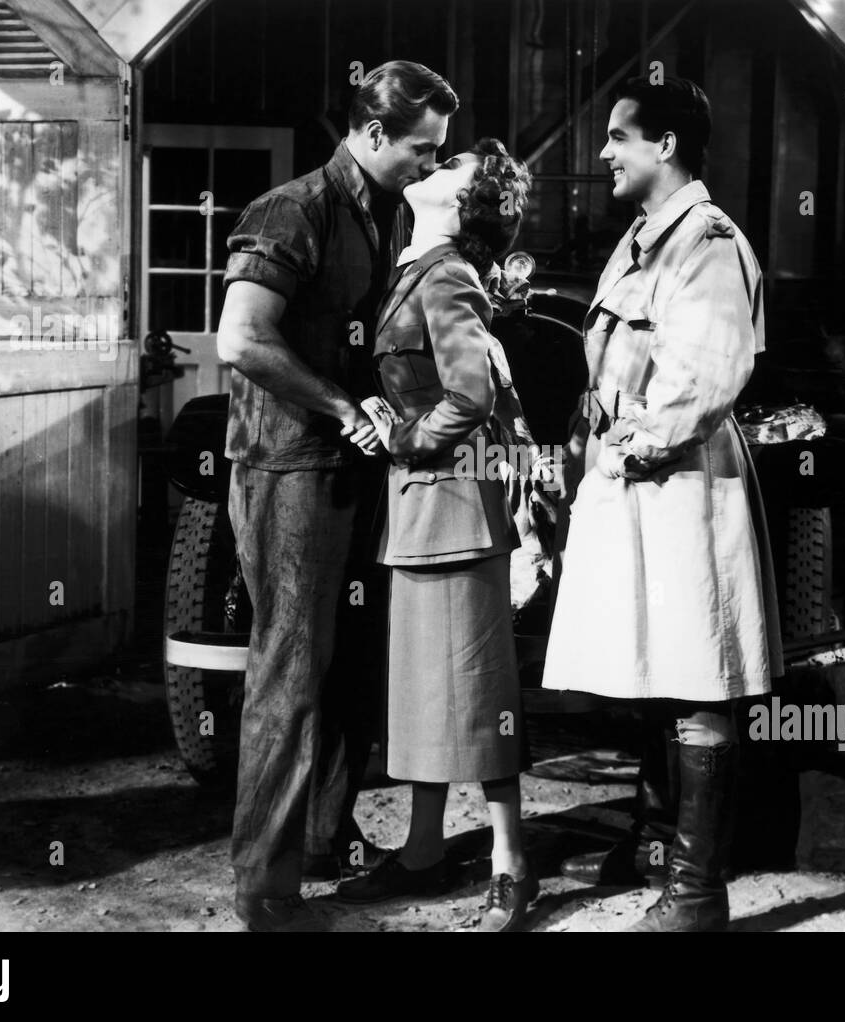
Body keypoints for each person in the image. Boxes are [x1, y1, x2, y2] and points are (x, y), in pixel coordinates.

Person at [216, 60, 459, 933]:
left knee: (349, 667)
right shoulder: (293, 210)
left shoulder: (388, 212)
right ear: (369, 134)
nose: (431, 166)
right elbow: (241, 340)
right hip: (288, 469)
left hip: (356, 468)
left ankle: (322, 834)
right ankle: (266, 885)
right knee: (290, 669)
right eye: (420, 150)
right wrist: (341, 404)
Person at [541, 76, 784, 931]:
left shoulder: (708, 243)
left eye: (617, 136)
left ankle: (695, 893)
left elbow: (709, 374)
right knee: (653, 671)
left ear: (666, 145)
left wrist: (628, 446)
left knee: (695, 678)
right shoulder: (644, 239)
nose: (603, 151)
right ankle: (658, 849)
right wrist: (587, 436)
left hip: (680, 484)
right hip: (637, 483)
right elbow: (610, 357)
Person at [335, 138, 542, 932]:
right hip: (422, 512)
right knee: (425, 693)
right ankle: (422, 849)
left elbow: (471, 394)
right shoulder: (415, 269)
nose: (432, 167)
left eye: (451, 167)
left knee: (479, 693)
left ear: (465, 203)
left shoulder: (449, 273)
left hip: (453, 508)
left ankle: (510, 865)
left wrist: (405, 439)